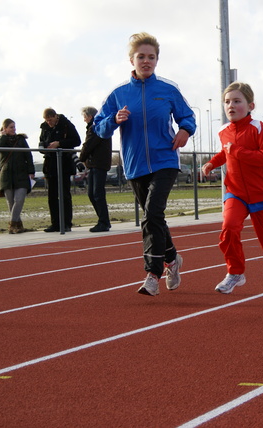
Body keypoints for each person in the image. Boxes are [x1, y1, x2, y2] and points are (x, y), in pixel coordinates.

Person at [94, 32, 196, 296]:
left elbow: (188, 116)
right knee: (155, 217)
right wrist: (114, 120)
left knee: (151, 213)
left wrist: (185, 130)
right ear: (132, 60)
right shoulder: (118, 94)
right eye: (141, 57)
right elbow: (100, 129)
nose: (146, 61)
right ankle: (172, 259)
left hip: (165, 160)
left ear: (157, 60)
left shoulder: (168, 89)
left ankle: (153, 274)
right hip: (135, 164)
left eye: (151, 57)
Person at [202, 82, 263, 297]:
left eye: (237, 101)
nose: (231, 106)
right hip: (235, 192)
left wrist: (238, 151)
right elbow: (225, 153)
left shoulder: (258, 128)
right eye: (227, 102)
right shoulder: (223, 131)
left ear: (250, 105)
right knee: (229, 228)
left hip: (261, 195)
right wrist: (211, 163)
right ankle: (235, 273)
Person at [38, 108, 81, 232]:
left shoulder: (67, 125)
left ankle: (66, 223)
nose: (49, 123)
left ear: (55, 116)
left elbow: (76, 141)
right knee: (52, 196)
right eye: (46, 120)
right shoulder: (44, 128)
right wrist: (44, 148)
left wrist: (59, 143)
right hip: (50, 165)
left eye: (50, 120)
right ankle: (55, 223)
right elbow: (41, 142)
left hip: (64, 164)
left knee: (64, 195)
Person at [0, 119, 35, 234]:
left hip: (21, 173)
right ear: (5, 128)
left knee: (19, 200)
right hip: (6, 175)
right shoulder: (0, 140)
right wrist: (3, 137)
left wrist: (31, 170)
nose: (14, 129)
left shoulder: (20, 140)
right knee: (11, 203)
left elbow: (28, 155)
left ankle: (12, 224)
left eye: (14, 127)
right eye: (11, 127)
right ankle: (18, 225)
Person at [79, 106, 112, 232]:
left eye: (85, 117)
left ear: (90, 117)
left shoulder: (96, 127)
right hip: (94, 164)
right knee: (92, 194)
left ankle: (104, 222)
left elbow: (89, 144)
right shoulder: (95, 127)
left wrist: (81, 158)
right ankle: (103, 220)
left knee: (97, 193)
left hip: (99, 163)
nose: (84, 120)